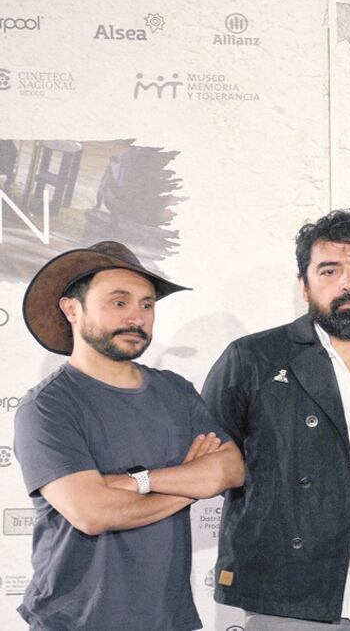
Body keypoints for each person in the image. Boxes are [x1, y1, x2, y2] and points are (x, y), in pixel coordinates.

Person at [202, 210, 350, 630]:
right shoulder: (252, 359)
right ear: (304, 286)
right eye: (330, 270)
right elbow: (206, 461)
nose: (349, 283)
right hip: (285, 596)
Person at [14, 240, 244, 631]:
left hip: (168, 620)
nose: (136, 317)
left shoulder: (176, 391)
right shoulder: (48, 406)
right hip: (76, 622)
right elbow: (93, 512)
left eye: (147, 304)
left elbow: (231, 470)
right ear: (72, 309)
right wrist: (191, 482)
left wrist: (134, 482)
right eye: (119, 303)